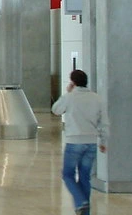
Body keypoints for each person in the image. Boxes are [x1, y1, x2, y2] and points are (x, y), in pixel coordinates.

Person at [51, 69, 109, 215]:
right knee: (85, 177)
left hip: (74, 141)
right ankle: (85, 211)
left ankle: (80, 201)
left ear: (73, 82)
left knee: (68, 174)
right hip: (91, 142)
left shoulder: (70, 97)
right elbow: (104, 122)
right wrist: (103, 141)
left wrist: (67, 92)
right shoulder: (97, 98)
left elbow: (56, 110)